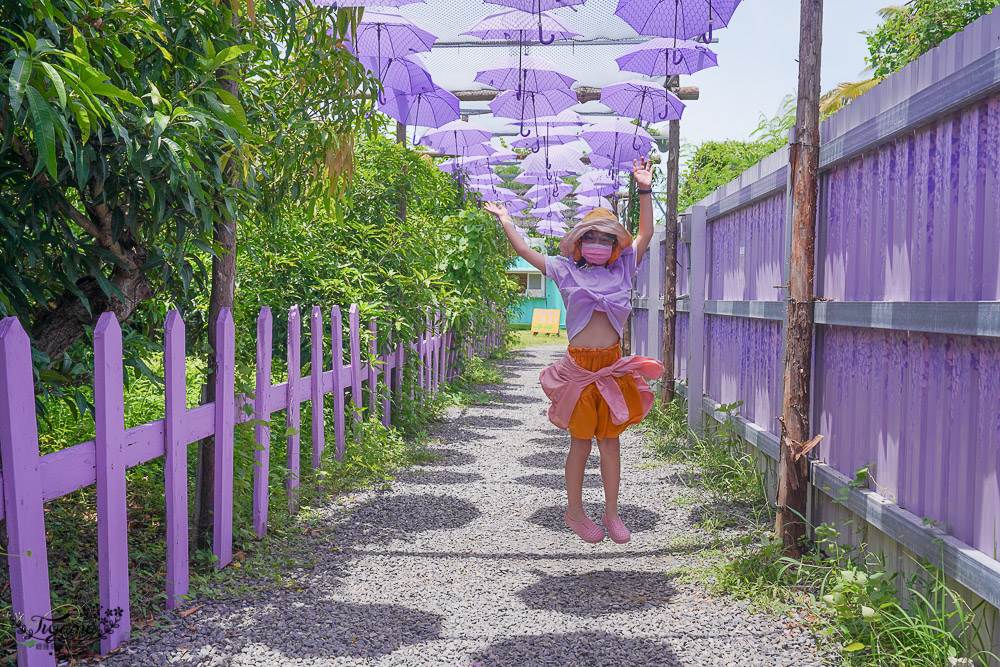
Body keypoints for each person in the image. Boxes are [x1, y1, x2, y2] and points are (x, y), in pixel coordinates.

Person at [484, 157, 664, 544]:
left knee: (611, 443)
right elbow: (527, 252)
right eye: (591, 237)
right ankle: (575, 511)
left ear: (616, 245)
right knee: (581, 443)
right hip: (581, 368)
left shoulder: (623, 268)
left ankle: (612, 513)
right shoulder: (565, 270)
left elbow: (646, 232)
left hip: (613, 367)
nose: (598, 244)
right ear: (578, 242)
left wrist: (644, 188)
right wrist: (506, 221)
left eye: (606, 238)